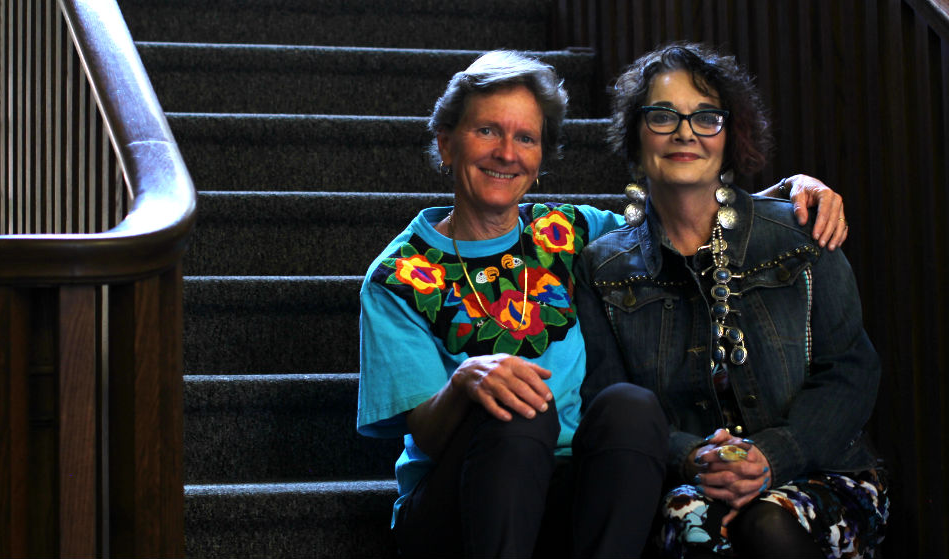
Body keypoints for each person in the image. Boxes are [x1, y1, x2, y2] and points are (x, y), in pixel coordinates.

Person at [357, 50, 849, 558]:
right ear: (446, 143)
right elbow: (431, 439)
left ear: (541, 160)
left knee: (631, 406)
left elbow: (684, 218)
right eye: (487, 131)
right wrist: (464, 383)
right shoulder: (398, 276)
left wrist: (789, 192)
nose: (506, 152)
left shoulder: (568, 232)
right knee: (520, 407)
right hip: (460, 505)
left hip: (577, 492)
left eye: (525, 138)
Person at [576, 42, 889, 559]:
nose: (685, 133)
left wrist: (772, 456)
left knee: (765, 524)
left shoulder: (799, 232)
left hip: (822, 471)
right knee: (694, 521)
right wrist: (696, 459)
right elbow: (605, 399)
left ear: (730, 133)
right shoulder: (602, 268)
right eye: (662, 116)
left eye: (706, 117)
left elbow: (851, 371)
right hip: (689, 484)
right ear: (635, 132)